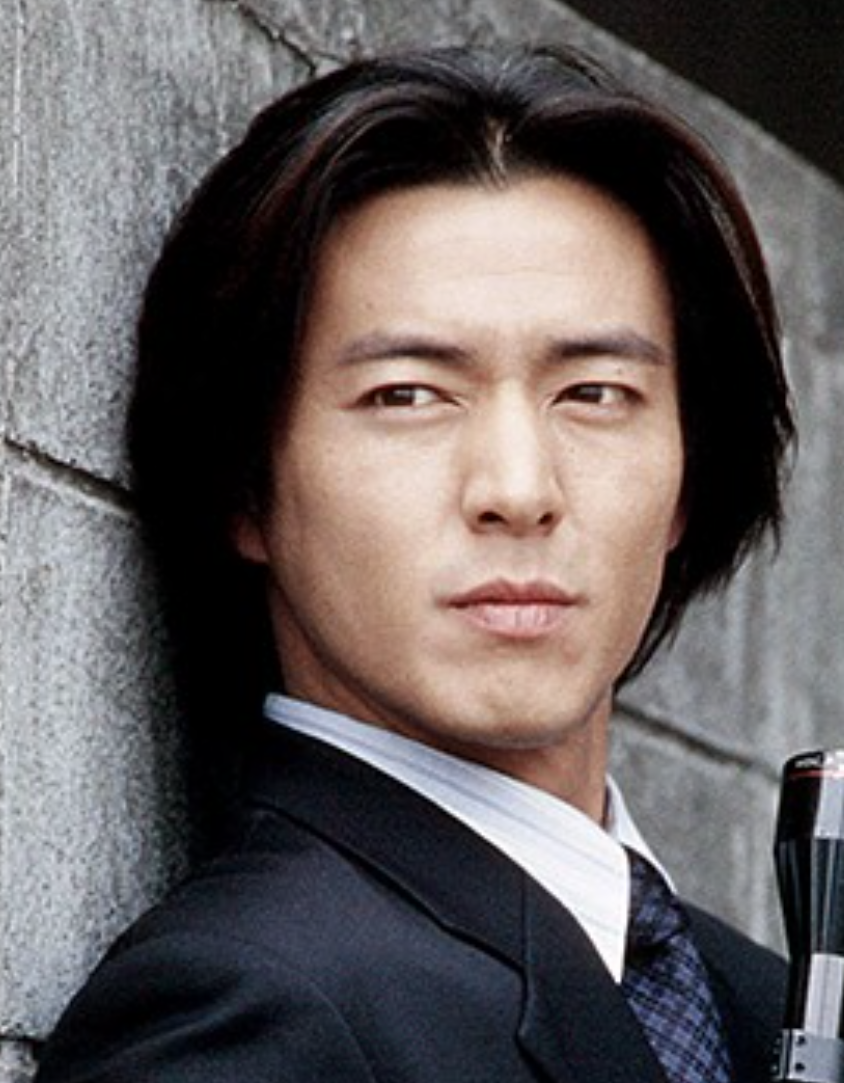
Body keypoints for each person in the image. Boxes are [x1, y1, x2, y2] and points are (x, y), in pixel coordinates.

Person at [36, 44, 795, 1082]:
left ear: (689, 475)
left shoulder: (753, 1001)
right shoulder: (240, 1008)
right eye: (407, 395)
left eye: (594, 394)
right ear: (244, 483)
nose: (519, 488)